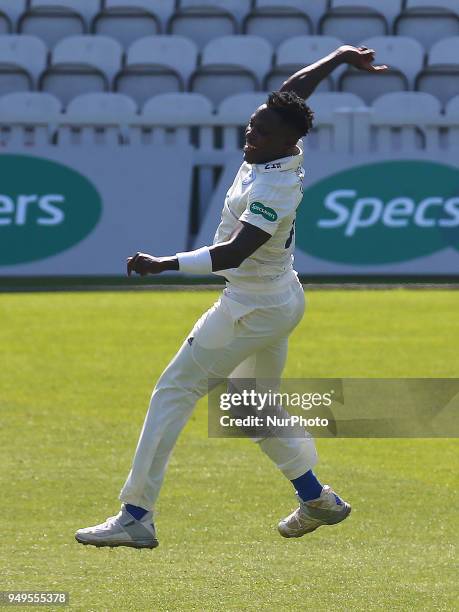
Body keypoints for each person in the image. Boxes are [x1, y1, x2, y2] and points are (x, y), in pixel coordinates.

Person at [75, 45, 387, 549]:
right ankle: (316, 498)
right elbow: (294, 94)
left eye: (261, 132)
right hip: (281, 300)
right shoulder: (278, 142)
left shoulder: (276, 190)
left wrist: (165, 263)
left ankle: (135, 515)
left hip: (252, 307)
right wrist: (340, 57)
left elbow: (235, 253)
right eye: (251, 125)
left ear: (287, 141)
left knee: (173, 391)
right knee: (251, 407)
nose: (251, 133)